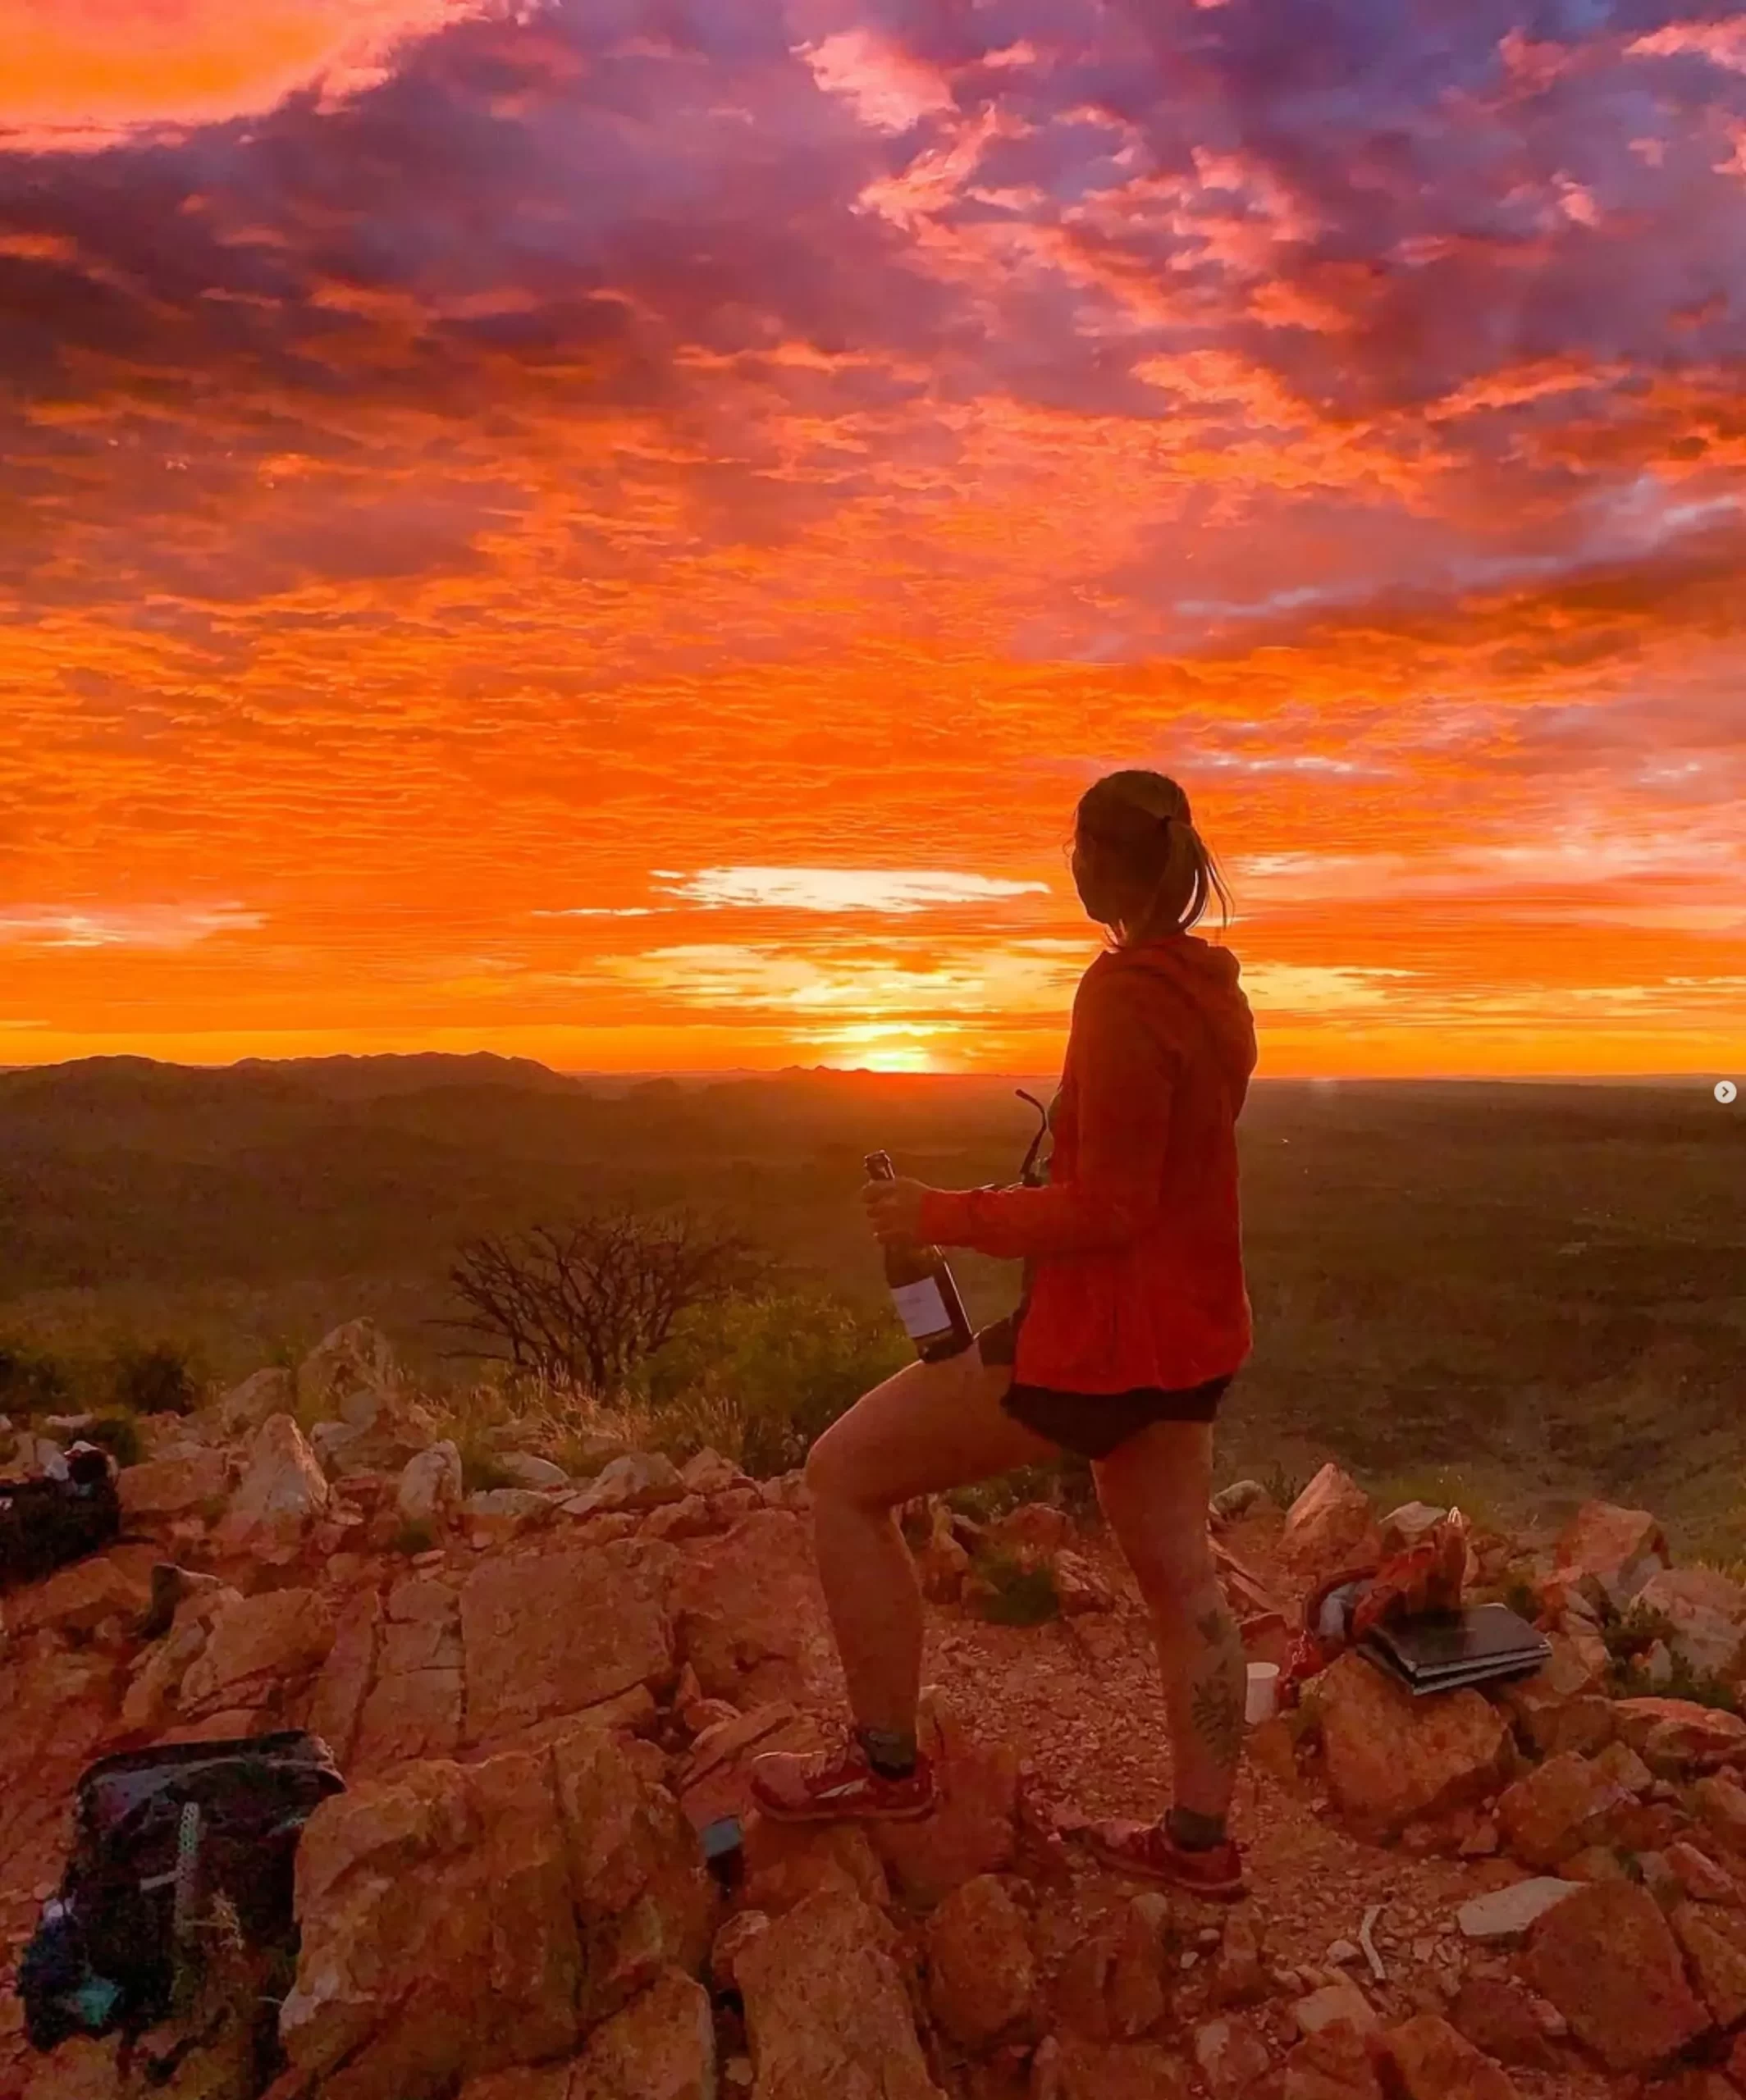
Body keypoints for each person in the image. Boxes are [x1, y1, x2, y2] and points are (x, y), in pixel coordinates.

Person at [748, 769, 1260, 1899]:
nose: (1066, 865)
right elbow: (1146, 1183)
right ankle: (1199, 1845)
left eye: (1075, 848)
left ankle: (885, 1765)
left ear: (1103, 861)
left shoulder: (1125, 993)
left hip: (1102, 1344)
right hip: (1191, 1334)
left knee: (843, 1477)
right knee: (1183, 1583)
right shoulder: (1211, 987)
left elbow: (1111, 1208)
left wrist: (940, 1216)